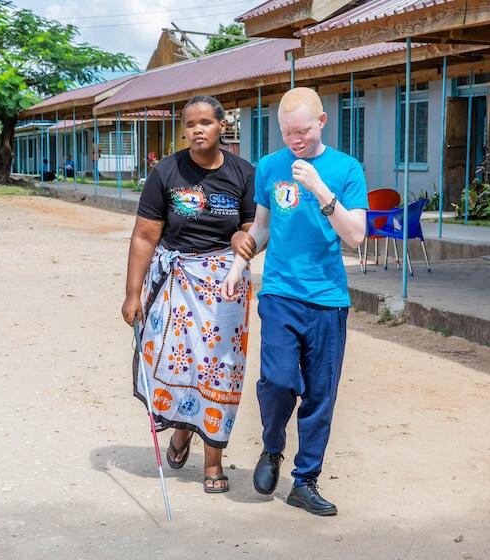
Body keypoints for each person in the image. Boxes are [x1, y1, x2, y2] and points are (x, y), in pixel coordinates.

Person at [221, 87, 368, 516]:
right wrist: (238, 265)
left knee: (321, 394)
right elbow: (262, 229)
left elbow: (356, 235)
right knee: (279, 382)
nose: (294, 140)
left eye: (301, 131)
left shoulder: (346, 169)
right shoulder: (269, 167)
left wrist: (322, 190)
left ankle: (305, 481)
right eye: (287, 133)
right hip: (281, 294)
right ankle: (272, 448)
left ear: (321, 122)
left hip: (327, 299)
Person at [123, 95, 256, 494]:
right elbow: (145, 235)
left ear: (222, 127)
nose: (197, 130)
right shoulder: (165, 171)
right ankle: (182, 431)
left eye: (206, 123)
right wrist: (132, 294)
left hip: (225, 284)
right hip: (176, 280)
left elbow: (253, 227)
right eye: (190, 124)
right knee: (182, 368)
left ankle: (213, 460)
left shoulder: (243, 173)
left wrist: (239, 236)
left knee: (221, 369)